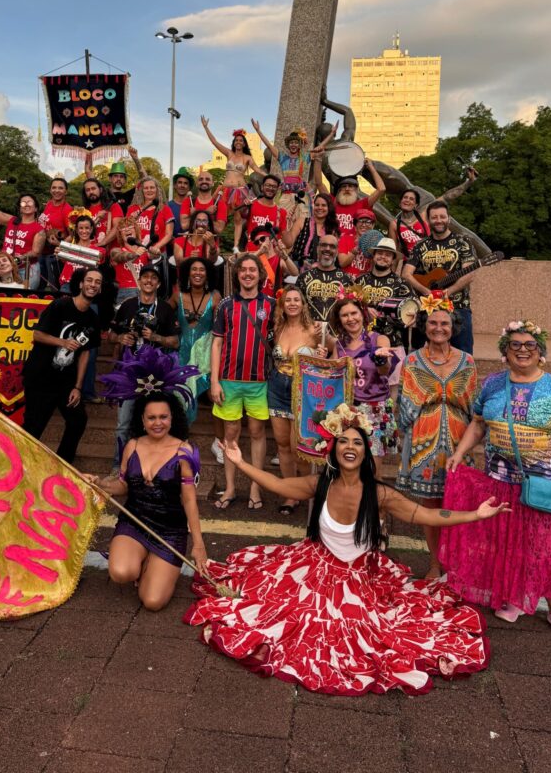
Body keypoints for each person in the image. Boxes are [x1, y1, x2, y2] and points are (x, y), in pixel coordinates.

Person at [184, 404, 510, 696]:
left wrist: (475, 515)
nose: (350, 447)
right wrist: (241, 463)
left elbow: (427, 515)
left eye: (357, 442)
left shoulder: (380, 494)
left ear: (366, 453)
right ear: (334, 449)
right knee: (285, 620)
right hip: (313, 568)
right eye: (344, 441)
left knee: (364, 638)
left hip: (356, 582)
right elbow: (279, 486)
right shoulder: (320, 483)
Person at [441, 320, 551, 637]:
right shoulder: (491, 385)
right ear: (505, 352)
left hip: (545, 481)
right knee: (507, 540)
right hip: (500, 479)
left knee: (547, 546)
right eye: (515, 345)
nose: (522, 350)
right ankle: (515, 596)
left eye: (529, 345)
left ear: (540, 352)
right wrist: (460, 452)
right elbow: (478, 424)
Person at [89, 355, 207, 611]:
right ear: (141, 420)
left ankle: (155, 566)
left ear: (172, 418)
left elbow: (188, 499)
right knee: (121, 573)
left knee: (152, 602)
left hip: (169, 531)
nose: (157, 423)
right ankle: (139, 560)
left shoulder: (183, 451)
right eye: (151, 418)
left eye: (163, 417)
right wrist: (101, 482)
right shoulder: (132, 446)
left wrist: (198, 545)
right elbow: (123, 487)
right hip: (135, 522)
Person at [396, 298, 477, 578]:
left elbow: (474, 407)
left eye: (444, 323)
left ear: (453, 327)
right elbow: (404, 406)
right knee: (430, 508)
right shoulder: (412, 361)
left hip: (458, 440)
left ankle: (455, 564)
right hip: (423, 441)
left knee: (457, 505)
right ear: (424, 326)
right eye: (433, 322)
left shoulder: (467, 362)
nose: (438, 328)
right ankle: (434, 562)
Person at [210, 253, 275, 510]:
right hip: (229, 380)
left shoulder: (271, 304)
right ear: (237, 275)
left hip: (259, 381)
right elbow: (216, 343)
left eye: (252, 270)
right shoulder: (226, 305)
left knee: (258, 433)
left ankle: (255, 488)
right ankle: (230, 487)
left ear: (260, 274)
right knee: (230, 435)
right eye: (243, 270)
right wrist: (214, 381)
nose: (248, 274)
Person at [22, 268, 102, 462]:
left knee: (78, 419)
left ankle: (62, 463)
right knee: (34, 427)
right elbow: (38, 335)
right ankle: (20, 467)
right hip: (41, 377)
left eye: (97, 282)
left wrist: (78, 387)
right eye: (89, 280)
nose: (93, 284)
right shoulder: (60, 305)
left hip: (65, 382)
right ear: (81, 284)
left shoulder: (93, 318)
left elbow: (85, 353)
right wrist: (63, 342)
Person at [109, 265, 180, 470]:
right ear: (139, 282)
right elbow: (110, 334)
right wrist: (121, 337)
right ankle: (118, 468)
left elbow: (175, 342)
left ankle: (150, 467)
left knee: (152, 424)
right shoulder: (127, 305)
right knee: (123, 424)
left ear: (158, 284)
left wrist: (155, 337)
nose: (149, 281)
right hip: (128, 373)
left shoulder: (165, 309)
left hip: (154, 376)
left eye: (153, 278)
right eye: (145, 277)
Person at [267, 287, 326, 515]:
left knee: (297, 446)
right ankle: (290, 493)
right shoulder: (278, 327)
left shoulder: (315, 330)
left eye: (296, 300)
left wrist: (324, 355)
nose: (292, 303)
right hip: (276, 387)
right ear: (282, 305)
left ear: (303, 304)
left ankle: (308, 489)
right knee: (282, 444)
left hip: (302, 390)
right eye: (288, 300)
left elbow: (332, 349)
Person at [402, 201, 478, 353]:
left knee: (463, 352)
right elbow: (406, 273)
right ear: (428, 221)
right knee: (418, 352)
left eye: (442, 216)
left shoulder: (463, 242)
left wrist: (448, 292)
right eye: (434, 217)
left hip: (458, 306)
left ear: (449, 219)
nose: (439, 220)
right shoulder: (420, 245)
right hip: (426, 307)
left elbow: (469, 274)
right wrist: (425, 291)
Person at [328, 293, 399, 458]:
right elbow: (333, 377)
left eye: (354, 313)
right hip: (349, 412)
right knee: (350, 465)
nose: (350, 318)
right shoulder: (339, 345)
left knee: (373, 469)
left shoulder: (379, 339)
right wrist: (322, 358)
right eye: (345, 315)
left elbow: (384, 371)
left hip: (376, 411)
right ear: (340, 320)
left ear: (362, 314)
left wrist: (381, 359)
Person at [200, 118, 267, 250]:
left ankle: (235, 246)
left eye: (241, 140)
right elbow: (215, 142)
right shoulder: (229, 153)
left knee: (237, 219)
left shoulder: (247, 158)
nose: (238, 142)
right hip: (225, 190)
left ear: (244, 143)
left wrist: (270, 177)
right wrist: (206, 127)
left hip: (239, 191)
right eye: (236, 140)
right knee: (215, 214)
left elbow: (257, 169)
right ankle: (209, 241)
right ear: (234, 142)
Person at [388, 171, 477, 263]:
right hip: (412, 264)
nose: (407, 200)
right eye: (405, 198)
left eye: (411, 199)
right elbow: (394, 251)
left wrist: (469, 182)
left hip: (433, 258)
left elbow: (447, 197)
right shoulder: (394, 224)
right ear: (400, 202)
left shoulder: (423, 215)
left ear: (416, 205)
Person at [171, 257, 221, 423]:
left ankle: (220, 440)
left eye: (202, 269)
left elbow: (220, 329)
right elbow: (162, 314)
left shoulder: (215, 297)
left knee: (212, 390)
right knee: (180, 394)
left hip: (206, 354)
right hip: (182, 352)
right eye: (194, 269)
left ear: (207, 275)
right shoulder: (177, 295)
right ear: (187, 273)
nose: (197, 273)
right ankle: (181, 432)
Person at [359, 237, 415, 383]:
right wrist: (364, 309)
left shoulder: (402, 284)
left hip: (394, 344)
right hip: (362, 344)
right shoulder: (359, 281)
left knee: (392, 390)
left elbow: (412, 311)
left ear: (392, 260)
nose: (383, 257)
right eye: (380, 253)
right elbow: (348, 308)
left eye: (388, 254)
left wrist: (411, 317)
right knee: (363, 386)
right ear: (374, 255)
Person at [250, 120, 336, 197]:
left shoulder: (304, 158)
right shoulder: (282, 158)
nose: (293, 145)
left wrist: (331, 134)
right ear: (288, 145)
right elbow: (268, 145)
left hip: (301, 193)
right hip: (286, 194)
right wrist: (258, 131)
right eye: (291, 143)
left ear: (299, 145)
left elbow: (320, 147)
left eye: (295, 143)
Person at [0, 182, 46, 289]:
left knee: (22, 300)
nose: (26, 204)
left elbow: (36, 252)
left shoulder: (39, 229)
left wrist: (18, 259)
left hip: (26, 270)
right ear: (20, 208)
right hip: (5, 269)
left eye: (29, 202)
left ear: (36, 208)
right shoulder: (12, 221)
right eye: (23, 203)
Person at [295, 234, 350, 324]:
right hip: (309, 331)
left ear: (337, 251)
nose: (327, 249)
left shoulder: (346, 279)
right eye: (324, 245)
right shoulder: (303, 278)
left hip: (336, 334)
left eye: (332, 246)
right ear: (317, 249)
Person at [84, 145, 147, 211]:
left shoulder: (128, 195)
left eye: (121, 177)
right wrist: (89, 153)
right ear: (110, 179)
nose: (119, 179)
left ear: (125, 180)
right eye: (116, 176)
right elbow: (88, 171)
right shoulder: (102, 193)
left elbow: (146, 181)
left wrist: (135, 158)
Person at [288, 191, 340, 270]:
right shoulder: (302, 221)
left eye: (323, 205)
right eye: (317, 205)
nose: (319, 208)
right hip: (296, 267)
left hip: (320, 269)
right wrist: (287, 223)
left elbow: (334, 254)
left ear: (329, 208)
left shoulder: (332, 229)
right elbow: (288, 243)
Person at [56, 212, 107, 293]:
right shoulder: (69, 247)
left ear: (91, 229)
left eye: (87, 228)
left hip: (88, 286)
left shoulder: (100, 250)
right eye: (81, 228)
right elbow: (62, 260)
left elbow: (98, 257)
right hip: (67, 284)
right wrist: (59, 253)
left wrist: (66, 251)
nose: (84, 231)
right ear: (76, 230)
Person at [332, 162, 386, 235]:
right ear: (339, 190)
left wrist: (371, 167)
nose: (347, 189)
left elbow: (381, 189)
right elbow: (319, 184)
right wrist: (317, 160)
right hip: (336, 244)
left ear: (356, 189)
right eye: (344, 186)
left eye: (350, 186)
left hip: (356, 245)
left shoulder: (363, 204)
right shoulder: (333, 203)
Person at [38, 176, 73, 289]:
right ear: (50, 190)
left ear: (66, 191)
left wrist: (59, 244)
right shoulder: (48, 204)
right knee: (40, 286)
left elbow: (73, 235)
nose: (56, 191)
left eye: (60, 188)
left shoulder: (67, 210)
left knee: (55, 288)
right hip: (42, 252)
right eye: (54, 188)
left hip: (55, 256)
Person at [246, 227, 298, 296]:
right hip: (256, 301)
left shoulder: (279, 259)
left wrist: (285, 256)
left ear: (271, 239)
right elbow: (243, 264)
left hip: (273, 302)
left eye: (262, 239)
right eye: (256, 242)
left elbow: (295, 273)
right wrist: (259, 252)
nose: (260, 243)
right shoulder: (255, 258)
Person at [110, 216, 150, 305]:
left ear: (136, 230)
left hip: (145, 292)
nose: (127, 230)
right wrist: (135, 254)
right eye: (123, 228)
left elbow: (154, 255)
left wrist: (156, 251)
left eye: (130, 227)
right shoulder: (116, 251)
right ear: (120, 234)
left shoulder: (144, 251)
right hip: (126, 292)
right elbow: (120, 257)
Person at [338, 208, 378, 279]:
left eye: (368, 221)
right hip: (346, 281)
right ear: (355, 225)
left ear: (373, 225)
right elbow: (342, 263)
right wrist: (355, 250)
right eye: (360, 221)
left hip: (366, 283)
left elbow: (377, 268)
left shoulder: (376, 243)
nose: (364, 225)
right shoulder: (345, 238)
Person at [190, 169, 228, 235]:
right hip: (191, 243)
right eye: (201, 179)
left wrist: (195, 215)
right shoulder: (188, 202)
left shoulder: (220, 204)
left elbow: (219, 229)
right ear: (196, 183)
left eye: (207, 179)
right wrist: (207, 212)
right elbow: (184, 225)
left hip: (211, 243)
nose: (204, 181)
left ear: (213, 183)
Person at [167, 167, 195, 239]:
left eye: (185, 183)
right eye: (179, 182)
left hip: (191, 247)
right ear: (175, 186)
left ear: (189, 187)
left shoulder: (195, 205)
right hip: (171, 247)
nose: (182, 185)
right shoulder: (167, 206)